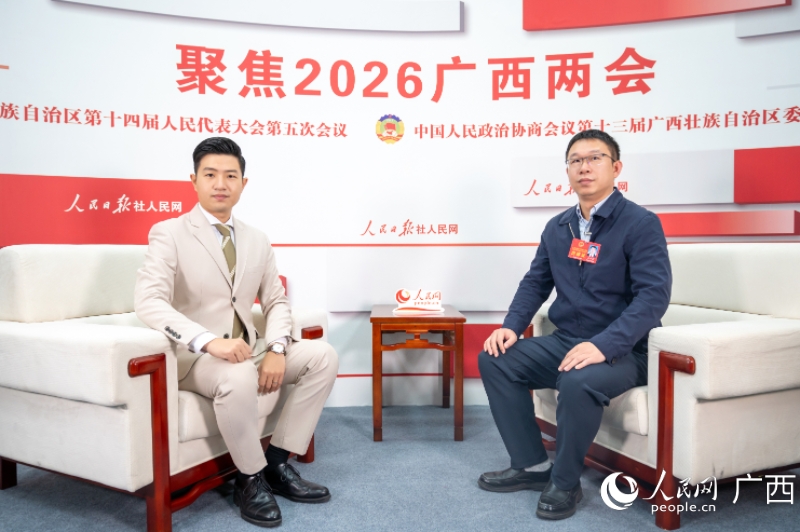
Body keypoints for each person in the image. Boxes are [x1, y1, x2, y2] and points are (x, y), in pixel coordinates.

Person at [135, 137, 338, 528]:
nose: (220, 184)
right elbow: (148, 301)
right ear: (194, 180)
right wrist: (209, 341)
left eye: (230, 176)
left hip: (251, 348)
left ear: (243, 184)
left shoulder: (256, 239)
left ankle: (276, 463)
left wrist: (277, 348)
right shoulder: (169, 233)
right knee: (236, 373)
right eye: (210, 174)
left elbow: (276, 301)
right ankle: (249, 478)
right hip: (197, 358)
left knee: (322, 356)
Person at [477, 130, 671, 520]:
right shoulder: (559, 227)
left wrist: (604, 345)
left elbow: (653, 297)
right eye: (576, 160)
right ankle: (532, 465)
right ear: (567, 170)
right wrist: (512, 325)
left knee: (578, 379)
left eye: (595, 158)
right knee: (496, 359)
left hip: (624, 350)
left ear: (616, 167)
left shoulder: (640, 223)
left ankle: (565, 482)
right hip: (567, 339)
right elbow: (536, 282)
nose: (585, 167)